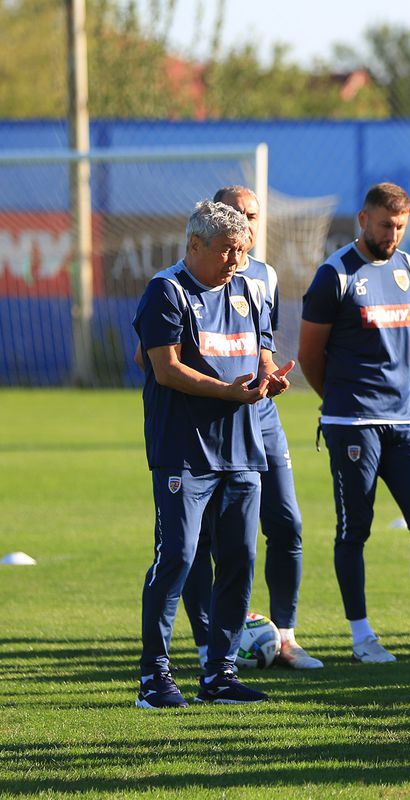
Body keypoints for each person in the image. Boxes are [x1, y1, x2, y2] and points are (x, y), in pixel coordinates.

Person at [297, 182, 410, 663]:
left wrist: (391, 394)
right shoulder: (334, 275)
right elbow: (309, 356)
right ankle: (362, 638)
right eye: (385, 225)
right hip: (352, 424)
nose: (393, 234)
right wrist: (340, 403)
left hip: (405, 422)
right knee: (354, 529)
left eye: (401, 226)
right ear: (363, 220)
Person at [133, 200, 293, 708]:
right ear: (196, 245)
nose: (236, 260)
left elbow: (260, 350)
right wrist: (228, 392)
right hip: (184, 450)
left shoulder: (249, 288)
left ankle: (219, 674)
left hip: (243, 450)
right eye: (227, 250)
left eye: (242, 250)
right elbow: (166, 369)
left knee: (241, 560)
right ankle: (154, 679)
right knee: (177, 556)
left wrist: (268, 378)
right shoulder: (167, 290)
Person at [177, 186, 321, 670]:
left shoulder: (264, 276)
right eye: (237, 216)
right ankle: (210, 645)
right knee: (199, 541)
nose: (247, 225)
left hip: (259, 416)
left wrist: (267, 375)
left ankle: (285, 636)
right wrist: (216, 385)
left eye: (253, 216)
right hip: (208, 423)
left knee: (287, 522)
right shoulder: (176, 283)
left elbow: (260, 346)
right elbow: (153, 357)